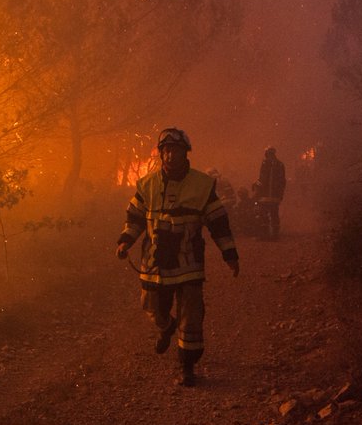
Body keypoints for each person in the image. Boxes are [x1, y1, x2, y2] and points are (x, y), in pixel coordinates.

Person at [116, 127, 239, 387]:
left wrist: (230, 254)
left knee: (191, 316)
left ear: (186, 153)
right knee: (152, 307)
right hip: (155, 263)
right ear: (161, 153)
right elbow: (135, 218)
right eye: (167, 150)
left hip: (188, 264)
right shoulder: (147, 184)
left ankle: (187, 366)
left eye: (177, 150)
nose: (171, 155)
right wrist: (125, 241)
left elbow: (219, 222)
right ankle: (165, 326)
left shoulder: (202, 185)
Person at [256, 146, 286, 240]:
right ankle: (274, 235)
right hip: (275, 196)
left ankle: (265, 235)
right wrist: (280, 194)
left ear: (267, 154)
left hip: (265, 195)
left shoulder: (265, 164)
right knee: (274, 214)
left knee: (264, 215)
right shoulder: (280, 164)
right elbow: (282, 181)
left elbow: (262, 179)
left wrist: (257, 188)